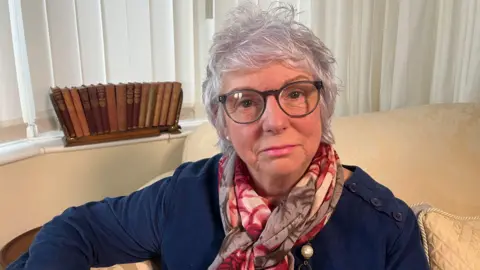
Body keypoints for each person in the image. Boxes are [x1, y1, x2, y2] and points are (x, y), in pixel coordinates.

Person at [7, 3, 429, 270]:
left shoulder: (386, 226)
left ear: (324, 103)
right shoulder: (181, 196)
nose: (274, 121)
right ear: (220, 119)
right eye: (246, 101)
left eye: (296, 93)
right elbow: (76, 230)